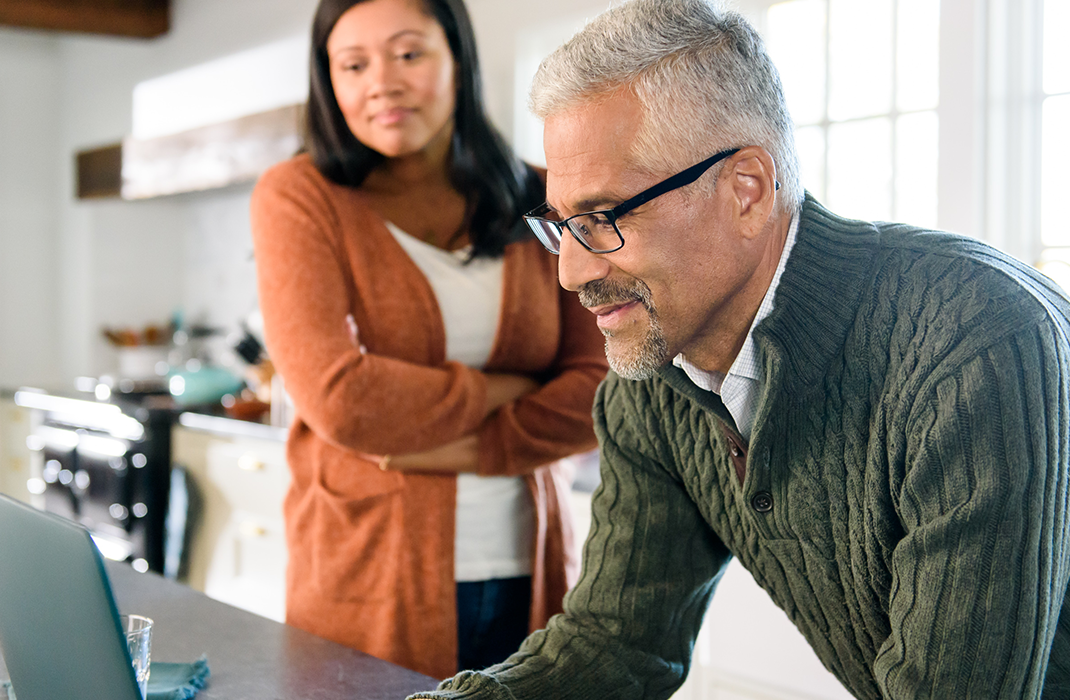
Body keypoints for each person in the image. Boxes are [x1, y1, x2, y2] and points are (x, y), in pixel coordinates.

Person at [409, 0, 1070, 697]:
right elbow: (616, 643)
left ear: (746, 191)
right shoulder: (651, 382)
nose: (572, 272)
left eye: (604, 218)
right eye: (564, 223)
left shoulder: (976, 344)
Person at [249, 0, 608, 680]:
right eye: (352, 65)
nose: (380, 82)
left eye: (408, 53)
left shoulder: (542, 197)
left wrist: (479, 445)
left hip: (528, 567)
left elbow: (601, 387)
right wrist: (507, 389)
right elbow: (341, 400)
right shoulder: (298, 195)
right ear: (330, 81)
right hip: (367, 577)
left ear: (457, 61)